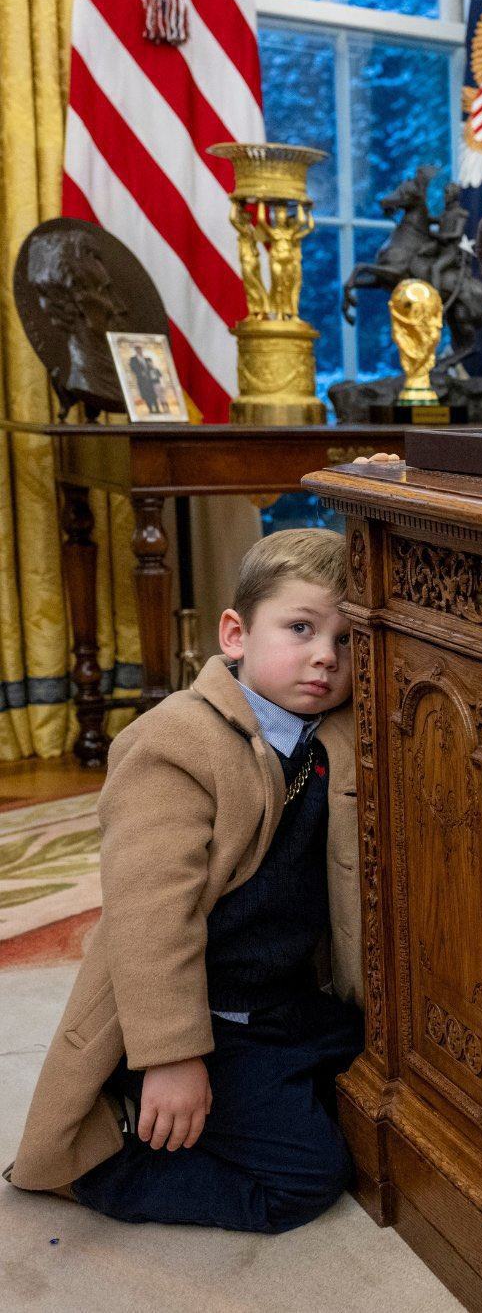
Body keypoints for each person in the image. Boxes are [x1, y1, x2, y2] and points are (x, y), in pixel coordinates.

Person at [6, 528, 365, 1234]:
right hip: (208, 1014)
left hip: (282, 997)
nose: (325, 656)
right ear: (235, 633)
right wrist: (174, 1055)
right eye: (300, 628)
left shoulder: (332, 731)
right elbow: (149, 919)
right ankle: (107, 1164)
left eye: (349, 641)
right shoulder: (175, 743)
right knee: (308, 1176)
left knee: (377, 1073)